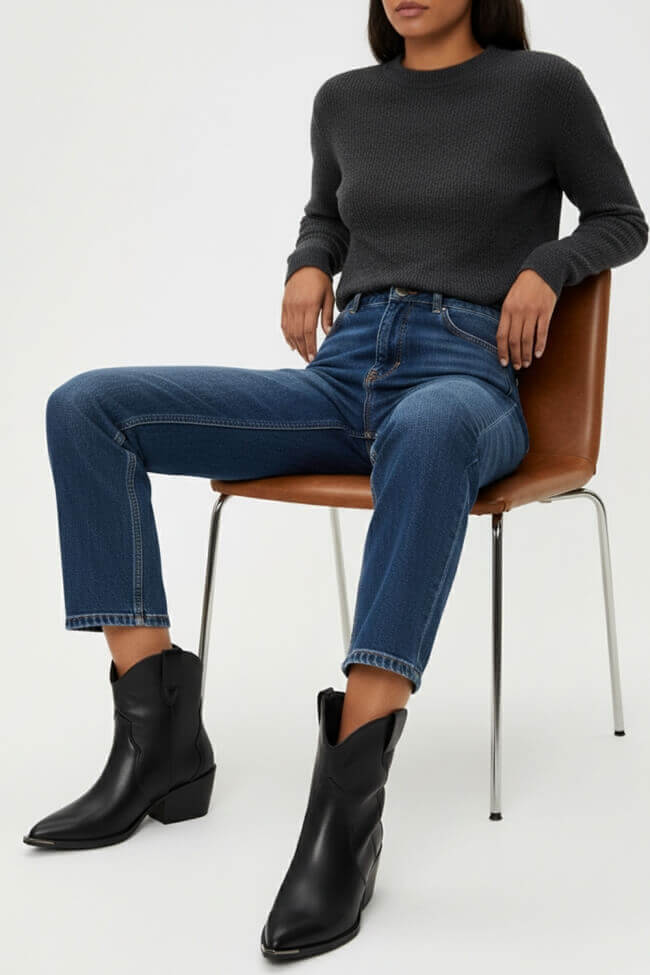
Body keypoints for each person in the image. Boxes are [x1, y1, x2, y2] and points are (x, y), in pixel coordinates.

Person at [25, 0, 647, 963]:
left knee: (429, 429)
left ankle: (347, 811)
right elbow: (326, 214)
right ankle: (158, 744)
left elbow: (620, 218)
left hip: (466, 375)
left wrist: (547, 265)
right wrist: (308, 261)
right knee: (88, 407)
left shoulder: (541, 87)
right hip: (340, 374)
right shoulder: (345, 99)